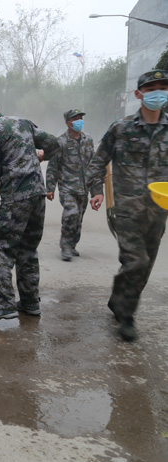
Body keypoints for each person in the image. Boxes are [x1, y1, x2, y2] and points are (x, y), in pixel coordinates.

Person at [0, 91, 60, 321]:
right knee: (27, 249)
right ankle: (29, 302)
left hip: (16, 198)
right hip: (38, 195)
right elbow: (54, 145)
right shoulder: (22, 123)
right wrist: (41, 155)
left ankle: (4, 304)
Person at [87, 69, 168, 342]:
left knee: (144, 267)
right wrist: (96, 191)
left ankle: (119, 300)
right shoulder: (121, 128)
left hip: (159, 211)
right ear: (138, 94)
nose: (158, 92)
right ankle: (128, 316)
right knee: (136, 261)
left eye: (163, 87)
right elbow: (98, 162)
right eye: (151, 88)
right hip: (127, 210)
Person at [46, 109, 95, 261]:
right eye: (75, 119)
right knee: (71, 214)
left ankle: (73, 244)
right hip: (67, 187)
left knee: (78, 218)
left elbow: (93, 164)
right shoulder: (60, 142)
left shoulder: (88, 140)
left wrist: (96, 188)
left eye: (81, 118)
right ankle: (65, 246)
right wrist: (50, 188)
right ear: (68, 123)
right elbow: (53, 166)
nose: (79, 121)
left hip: (84, 187)